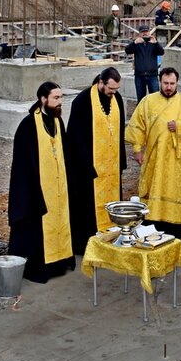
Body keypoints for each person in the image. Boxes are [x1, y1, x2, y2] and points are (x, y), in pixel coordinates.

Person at [7, 81, 76, 282]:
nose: (60, 102)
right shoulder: (28, 126)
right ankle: (41, 267)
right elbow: (22, 166)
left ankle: (60, 261)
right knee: (39, 230)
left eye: (61, 98)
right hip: (38, 191)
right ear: (43, 99)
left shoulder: (57, 122)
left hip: (58, 189)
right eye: (56, 98)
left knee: (60, 223)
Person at [125, 67, 181, 239]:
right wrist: (137, 149)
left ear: (177, 83)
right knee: (154, 187)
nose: (168, 87)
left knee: (176, 189)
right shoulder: (147, 101)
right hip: (155, 157)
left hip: (177, 158)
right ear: (159, 82)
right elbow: (137, 126)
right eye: (165, 83)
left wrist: (180, 126)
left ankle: (179, 227)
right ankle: (154, 223)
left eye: (172, 83)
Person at [63, 67, 127, 253]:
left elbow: (120, 131)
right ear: (101, 82)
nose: (113, 93)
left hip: (112, 167)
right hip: (88, 168)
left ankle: (112, 235)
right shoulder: (82, 101)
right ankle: (89, 244)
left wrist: (121, 161)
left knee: (113, 204)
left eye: (116, 89)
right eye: (111, 89)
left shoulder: (117, 100)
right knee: (87, 208)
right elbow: (75, 138)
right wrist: (85, 165)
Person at [124, 24, 164, 101]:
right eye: (143, 32)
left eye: (146, 32)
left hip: (152, 75)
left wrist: (156, 43)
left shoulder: (153, 43)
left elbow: (161, 52)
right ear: (139, 33)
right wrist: (134, 43)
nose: (145, 33)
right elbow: (127, 50)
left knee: (155, 98)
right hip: (139, 75)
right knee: (141, 99)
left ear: (149, 32)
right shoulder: (136, 43)